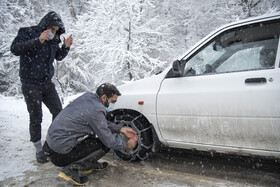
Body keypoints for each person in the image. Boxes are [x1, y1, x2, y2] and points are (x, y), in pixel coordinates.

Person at [43, 83, 138, 186]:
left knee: (97, 139)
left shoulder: (88, 97)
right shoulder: (96, 109)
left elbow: (99, 122)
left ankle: (87, 164)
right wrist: (126, 145)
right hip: (58, 155)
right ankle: (71, 170)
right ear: (104, 97)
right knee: (105, 143)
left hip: (50, 147)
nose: (113, 105)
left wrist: (120, 129)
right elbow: (109, 141)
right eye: (113, 101)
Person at [10, 11, 73, 163]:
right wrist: (38, 40)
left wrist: (65, 47)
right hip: (30, 83)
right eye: (51, 28)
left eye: (56, 30)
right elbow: (15, 49)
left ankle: (51, 144)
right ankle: (39, 149)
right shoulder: (27, 32)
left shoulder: (53, 40)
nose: (53, 32)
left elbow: (57, 56)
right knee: (36, 116)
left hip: (47, 83)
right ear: (44, 25)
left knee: (58, 112)